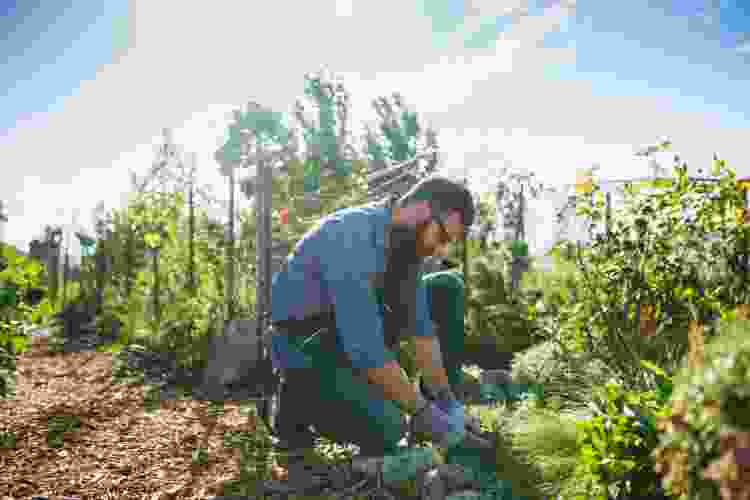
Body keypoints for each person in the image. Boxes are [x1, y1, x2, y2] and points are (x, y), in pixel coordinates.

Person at [269, 175, 479, 460]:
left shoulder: (408, 248)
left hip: (348, 335)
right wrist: (420, 413)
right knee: (389, 428)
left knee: (446, 287)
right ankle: (293, 406)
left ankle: (436, 411)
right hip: (306, 344)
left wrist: (446, 401)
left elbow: (420, 329)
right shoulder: (352, 236)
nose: (441, 250)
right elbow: (366, 350)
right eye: (441, 237)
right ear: (421, 210)